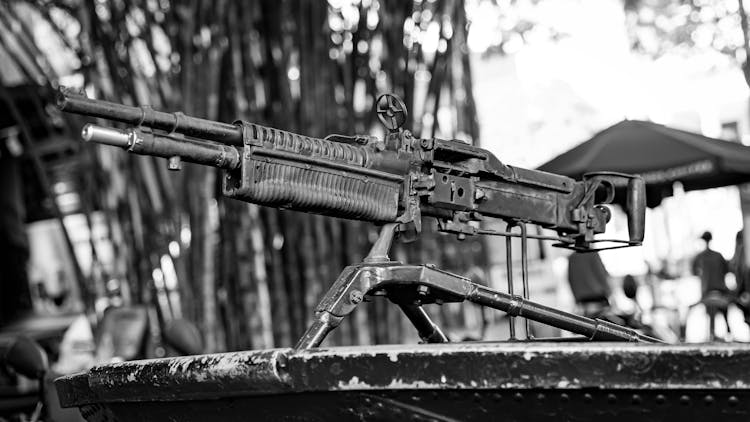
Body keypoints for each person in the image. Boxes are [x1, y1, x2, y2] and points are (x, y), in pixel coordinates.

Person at [691, 231, 730, 339]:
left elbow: (694, 272)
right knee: (725, 314)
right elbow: (727, 270)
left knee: (710, 317)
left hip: (706, 291)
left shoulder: (699, 257)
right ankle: (728, 331)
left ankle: (713, 334)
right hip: (720, 290)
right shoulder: (718, 255)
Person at [567, 251, 611, 318]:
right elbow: (601, 274)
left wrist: (576, 299)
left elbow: (570, 278)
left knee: (588, 322)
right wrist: (609, 292)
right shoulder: (593, 253)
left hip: (582, 299)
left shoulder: (572, 257)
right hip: (597, 296)